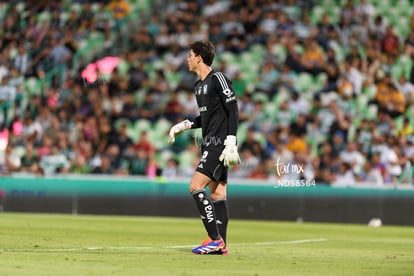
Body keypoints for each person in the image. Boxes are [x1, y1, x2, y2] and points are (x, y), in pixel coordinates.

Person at [168, 41, 240, 255]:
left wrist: (231, 140)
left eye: (190, 55)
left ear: (199, 57)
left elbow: (233, 108)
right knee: (218, 194)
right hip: (209, 143)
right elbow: (206, 117)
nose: (187, 59)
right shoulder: (199, 87)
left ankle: (214, 239)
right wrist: (185, 125)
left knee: (195, 186)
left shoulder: (218, 78)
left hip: (220, 144)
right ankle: (222, 245)